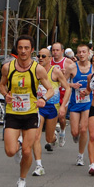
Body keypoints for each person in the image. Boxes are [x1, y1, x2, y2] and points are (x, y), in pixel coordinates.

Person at [0, 35, 53, 187]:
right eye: (20, 48)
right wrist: (5, 94)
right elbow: (2, 85)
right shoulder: (7, 68)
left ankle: (22, 180)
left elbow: (50, 89)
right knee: (10, 151)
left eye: (26, 48)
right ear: (17, 49)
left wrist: (43, 99)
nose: (23, 51)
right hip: (13, 113)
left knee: (27, 151)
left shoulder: (37, 69)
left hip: (30, 113)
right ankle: (18, 146)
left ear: (31, 50)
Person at [32, 48, 70, 176]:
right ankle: (39, 165)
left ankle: (54, 136)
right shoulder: (34, 70)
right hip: (39, 107)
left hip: (53, 107)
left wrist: (63, 105)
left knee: (49, 138)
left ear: (49, 58)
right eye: (39, 56)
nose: (40, 58)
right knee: (36, 136)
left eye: (43, 56)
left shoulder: (56, 72)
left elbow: (68, 88)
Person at [66, 44, 93, 166]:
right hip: (75, 102)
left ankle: (80, 155)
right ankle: (75, 136)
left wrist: (88, 90)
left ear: (88, 53)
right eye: (79, 52)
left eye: (84, 52)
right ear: (76, 54)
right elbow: (63, 83)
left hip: (88, 102)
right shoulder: (72, 67)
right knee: (75, 131)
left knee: (83, 129)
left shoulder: (93, 68)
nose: (81, 54)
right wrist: (72, 86)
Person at [51, 42, 76, 147]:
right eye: (53, 50)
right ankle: (52, 136)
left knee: (61, 116)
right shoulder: (49, 62)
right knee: (52, 116)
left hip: (64, 92)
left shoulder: (68, 62)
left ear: (62, 51)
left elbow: (75, 77)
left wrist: (69, 81)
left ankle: (62, 131)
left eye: (57, 50)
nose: (55, 52)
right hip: (52, 93)